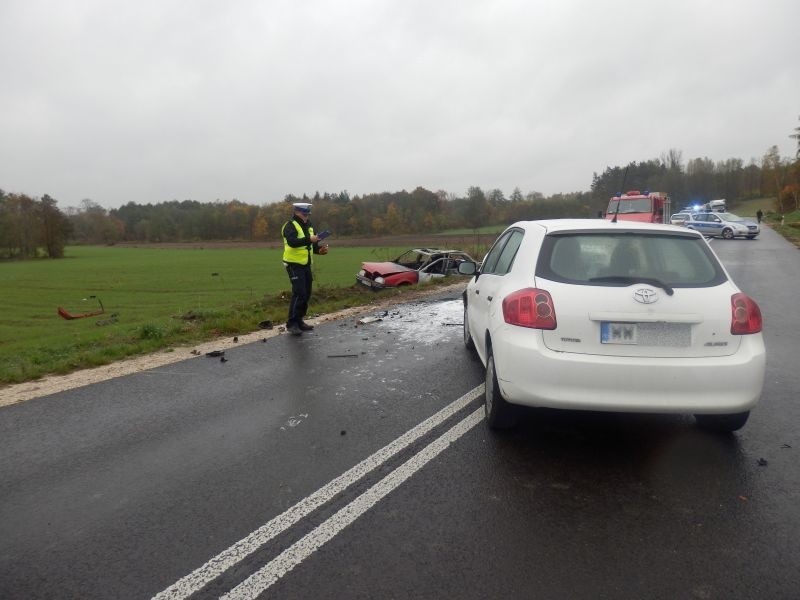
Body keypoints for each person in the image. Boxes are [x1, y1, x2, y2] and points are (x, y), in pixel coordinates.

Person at [281, 202, 328, 335]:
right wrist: (310, 239)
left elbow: (312, 246)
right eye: (304, 214)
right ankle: (292, 323)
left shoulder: (309, 225)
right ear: (296, 212)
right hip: (293, 263)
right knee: (299, 293)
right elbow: (293, 242)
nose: (306, 216)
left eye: (308, 214)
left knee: (306, 293)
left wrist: (320, 250)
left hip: (306, 264)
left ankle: (300, 320)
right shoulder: (289, 225)